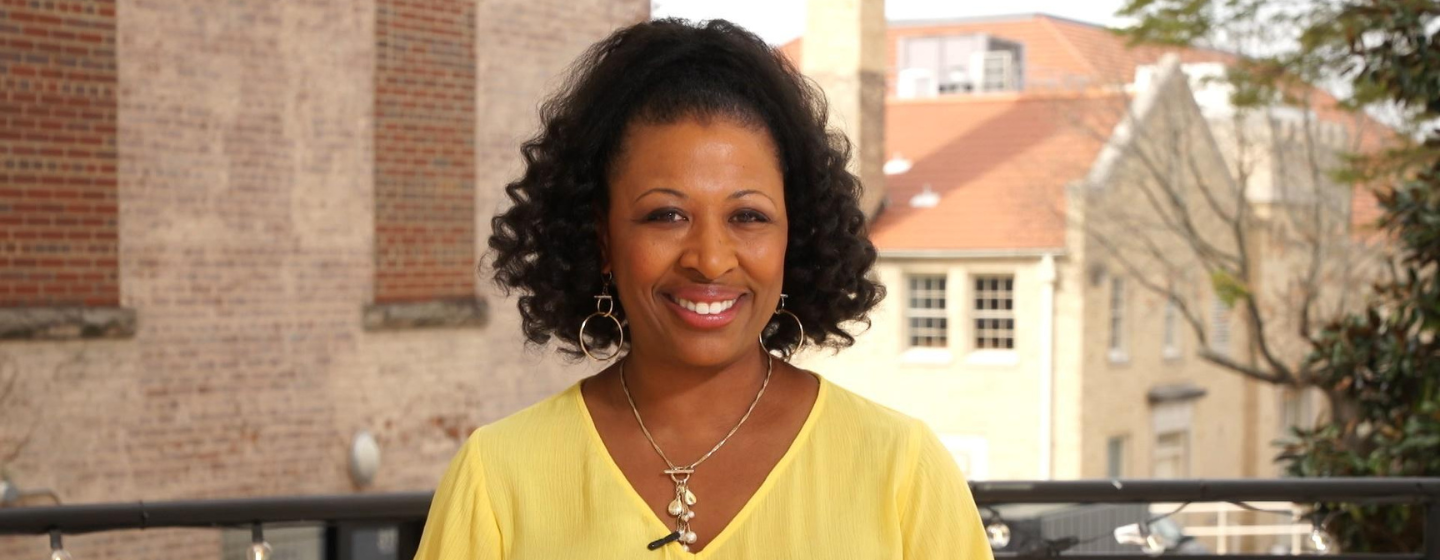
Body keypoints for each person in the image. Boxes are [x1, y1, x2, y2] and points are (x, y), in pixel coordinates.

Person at [413, 18, 993, 560]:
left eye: (748, 217)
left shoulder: (903, 473)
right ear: (603, 237)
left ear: (796, 233)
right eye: (666, 216)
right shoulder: (497, 479)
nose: (710, 261)